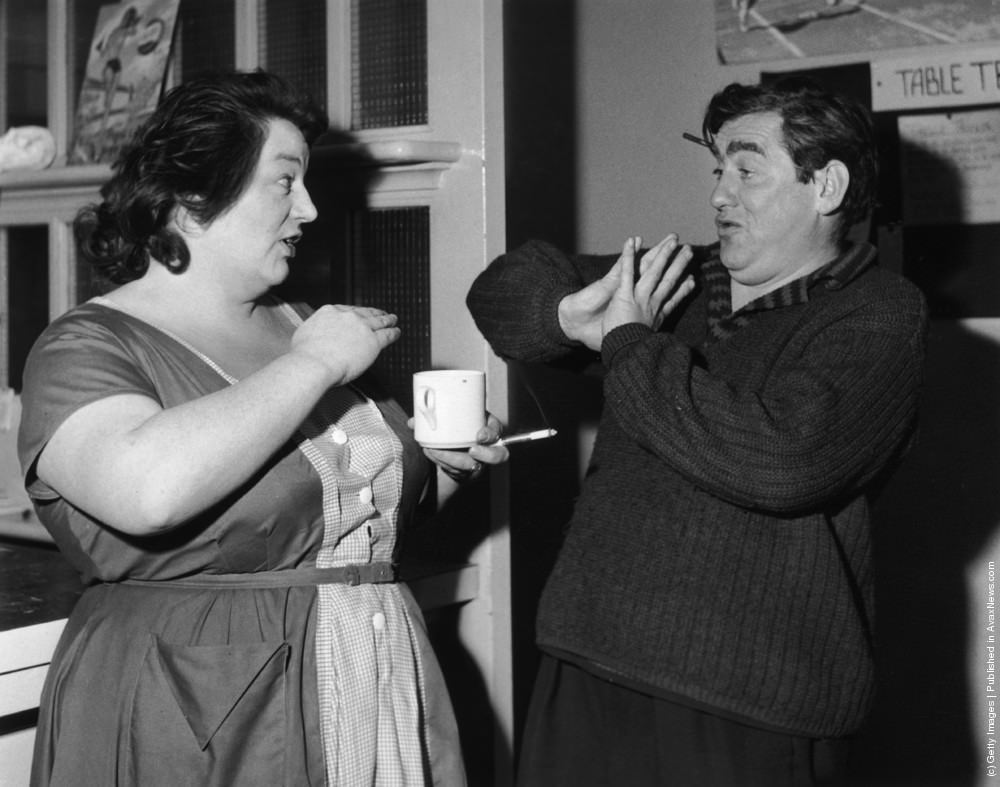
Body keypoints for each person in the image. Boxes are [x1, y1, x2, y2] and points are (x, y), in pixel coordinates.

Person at [19, 70, 507, 787]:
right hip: (201, 708)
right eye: (285, 181)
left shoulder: (303, 323)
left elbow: (333, 526)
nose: (309, 208)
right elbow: (148, 491)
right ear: (193, 197)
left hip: (370, 677)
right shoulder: (85, 346)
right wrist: (311, 366)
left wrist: (447, 465)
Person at [467, 77, 927, 786]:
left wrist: (626, 338)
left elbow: (781, 460)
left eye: (746, 169)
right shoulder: (680, 281)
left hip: (750, 708)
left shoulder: (879, 313)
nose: (718, 194)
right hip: (587, 663)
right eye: (717, 170)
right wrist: (568, 315)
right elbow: (502, 288)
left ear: (827, 185)